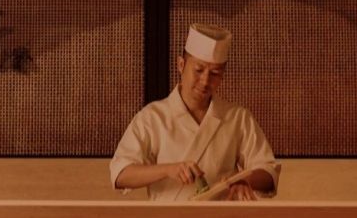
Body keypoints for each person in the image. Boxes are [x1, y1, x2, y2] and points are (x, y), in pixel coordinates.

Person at [109, 23, 281, 202]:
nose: (205, 81)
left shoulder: (237, 117)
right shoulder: (153, 117)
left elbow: (268, 170)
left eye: (214, 73)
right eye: (198, 70)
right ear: (181, 65)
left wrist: (245, 181)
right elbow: (120, 174)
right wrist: (168, 169)